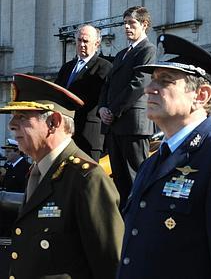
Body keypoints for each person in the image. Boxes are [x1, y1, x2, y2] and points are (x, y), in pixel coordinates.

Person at [118, 34, 211, 279]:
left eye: (164, 81)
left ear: (201, 95)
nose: (149, 89)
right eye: (152, 80)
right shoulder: (153, 161)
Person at [0, 74, 123, 278]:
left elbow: (111, 265)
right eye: (13, 116)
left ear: (53, 122)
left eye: (22, 116)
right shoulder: (38, 172)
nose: (11, 124)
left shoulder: (87, 179)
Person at [99, 6, 156, 208]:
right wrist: (102, 108)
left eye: (131, 23)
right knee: (120, 181)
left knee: (136, 178)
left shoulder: (147, 50)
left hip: (133, 126)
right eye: (124, 23)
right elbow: (108, 85)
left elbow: (139, 83)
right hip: (114, 125)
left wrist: (112, 110)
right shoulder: (122, 53)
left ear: (144, 25)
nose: (127, 27)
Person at [54, 24, 112, 161]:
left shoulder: (104, 67)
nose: (82, 44)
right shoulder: (67, 67)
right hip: (65, 133)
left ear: (97, 43)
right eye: (79, 40)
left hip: (88, 134)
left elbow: (94, 96)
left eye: (86, 41)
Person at [0, 139, 30, 237]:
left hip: (16, 212)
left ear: (17, 152)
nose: (6, 154)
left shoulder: (26, 168)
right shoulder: (8, 167)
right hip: (5, 212)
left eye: (9, 152)